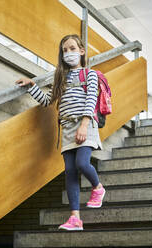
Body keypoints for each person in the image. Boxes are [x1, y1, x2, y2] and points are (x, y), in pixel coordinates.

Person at [15, 34, 105, 231]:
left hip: (85, 124)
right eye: (65, 50)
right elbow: (48, 101)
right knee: (70, 172)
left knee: (82, 163)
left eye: (72, 49)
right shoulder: (61, 76)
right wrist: (32, 85)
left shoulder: (90, 74)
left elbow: (91, 100)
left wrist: (83, 124)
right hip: (66, 128)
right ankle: (75, 219)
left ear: (82, 51)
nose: (68, 53)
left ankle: (98, 188)